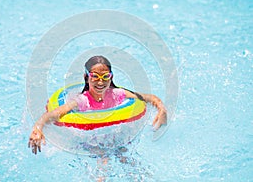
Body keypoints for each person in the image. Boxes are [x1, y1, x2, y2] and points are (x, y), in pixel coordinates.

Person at [28, 55, 167, 154]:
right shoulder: (83, 100)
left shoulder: (117, 94)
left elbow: (148, 98)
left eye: (105, 77)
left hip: (115, 139)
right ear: (86, 77)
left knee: (130, 162)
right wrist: (38, 128)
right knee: (102, 163)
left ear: (111, 77)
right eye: (95, 76)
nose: (101, 82)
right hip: (89, 143)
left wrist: (161, 109)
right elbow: (55, 113)